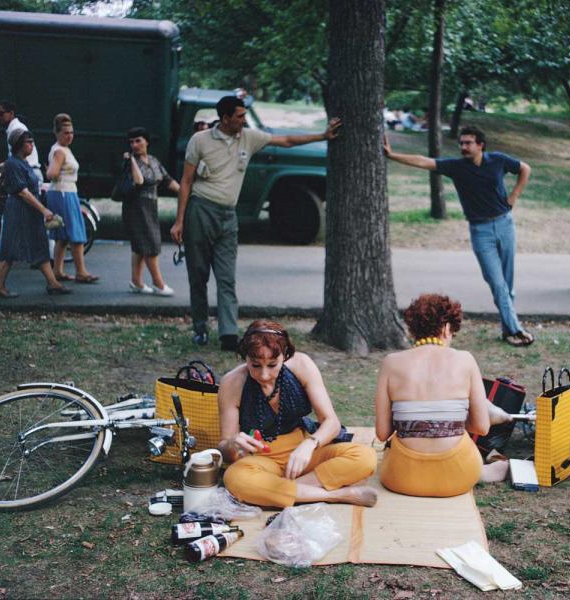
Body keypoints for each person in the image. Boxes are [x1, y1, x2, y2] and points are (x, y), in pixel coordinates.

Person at [170, 95, 342, 349]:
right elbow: (186, 181)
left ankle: (228, 334)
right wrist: (179, 221)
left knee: (227, 277)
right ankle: (200, 328)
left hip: (229, 215)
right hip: (201, 210)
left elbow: (286, 140)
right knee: (199, 275)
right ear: (225, 118)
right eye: (239, 116)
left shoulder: (248, 137)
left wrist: (322, 136)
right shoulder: (200, 140)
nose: (244, 120)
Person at [383, 126, 534, 347]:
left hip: (505, 224)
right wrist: (392, 155)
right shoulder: (456, 167)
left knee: (508, 285)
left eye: (468, 143)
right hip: (480, 232)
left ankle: (507, 329)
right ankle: (516, 329)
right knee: (497, 283)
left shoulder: (498, 160)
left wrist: (514, 195)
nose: (463, 147)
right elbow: (424, 161)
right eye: (461, 143)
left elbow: (525, 169)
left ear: (480, 144)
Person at [218, 320, 379, 508]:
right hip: (261, 461)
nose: (264, 375)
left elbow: (331, 423)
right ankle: (337, 495)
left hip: (302, 454)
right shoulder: (232, 382)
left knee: (365, 457)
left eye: (272, 365)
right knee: (235, 478)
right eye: (255, 365)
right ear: (245, 357)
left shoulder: (302, 365)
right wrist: (232, 443)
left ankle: (278, 493)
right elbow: (225, 450)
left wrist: (309, 444)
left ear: (285, 356)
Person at [374, 294, 509, 497]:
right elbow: (481, 427)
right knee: (472, 456)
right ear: (446, 328)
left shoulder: (391, 362)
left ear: (413, 328)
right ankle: (485, 469)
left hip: (400, 477)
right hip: (458, 474)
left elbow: (382, 433)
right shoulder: (465, 360)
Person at [0, 129, 70, 298]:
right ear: (19, 144)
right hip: (19, 210)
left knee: (40, 245)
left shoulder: (22, 162)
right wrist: (43, 209)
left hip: (30, 211)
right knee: (10, 247)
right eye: (29, 142)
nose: (32, 145)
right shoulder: (14, 164)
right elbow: (22, 192)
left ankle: (53, 283)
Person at [0, 101, 45, 269]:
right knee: (32, 218)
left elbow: (14, 160)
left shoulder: (16, 130)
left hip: (26, 174)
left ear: (11, 113)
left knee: (13, 218)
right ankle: (45, 259)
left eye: (1, 113)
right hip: (27, 172)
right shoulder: (14, 128)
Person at [121, 127, 180, 295]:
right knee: (151, 243)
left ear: (147, 141)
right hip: (136, 206)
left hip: (150, 206)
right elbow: (139, 181)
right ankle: (158, 283)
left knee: (141, 245)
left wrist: (185, 193)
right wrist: (131, 160)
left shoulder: (154, 160)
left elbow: (167, 181)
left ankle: (136, 282)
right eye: (131, 142)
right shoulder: (129, 162)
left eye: (138, 140)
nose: (134, 144)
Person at [45, 114, 99, 284]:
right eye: (66, 133)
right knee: (76, 233)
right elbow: (51, 174)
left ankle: (58, 271)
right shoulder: (60, 151)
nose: (70, 136)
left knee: (62, 235)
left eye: (72, 132)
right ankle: (81, 272)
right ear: (57, 133)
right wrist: (53, 170)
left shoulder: (63, 149)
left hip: (66, 192)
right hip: (63, 193)